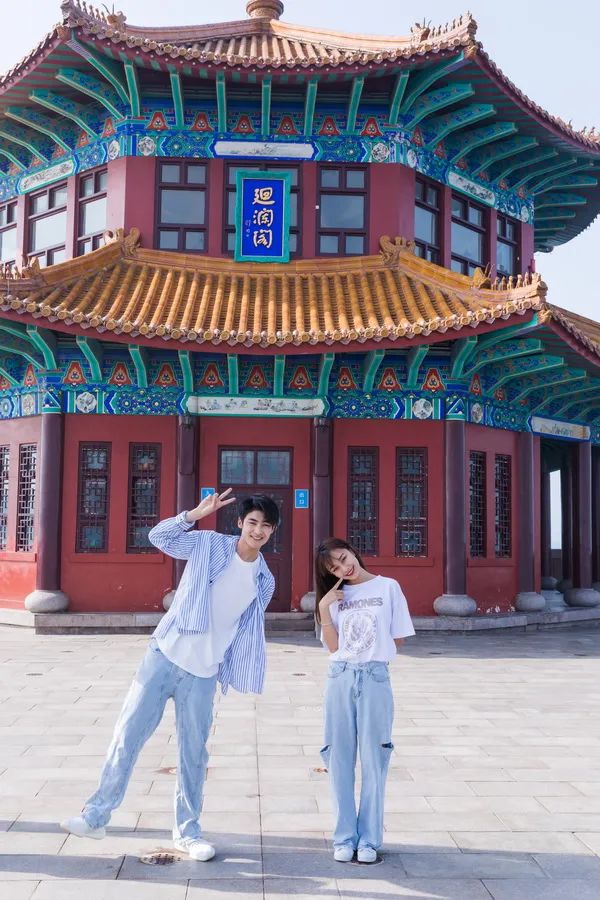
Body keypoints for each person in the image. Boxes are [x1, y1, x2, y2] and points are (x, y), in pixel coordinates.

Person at [61, 489, 279, 861]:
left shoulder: (264, 581)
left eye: (266, 526)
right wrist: (192, 515)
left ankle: (188, 833)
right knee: (127, 736)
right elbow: (158, 538)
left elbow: (243, 629)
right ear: (240, 523)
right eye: (252, 522)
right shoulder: (209, 544)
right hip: (164, 656)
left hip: (203, 672)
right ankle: (95, 817)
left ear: (273, 532)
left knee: (193, 754)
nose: (258, 531)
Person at [315, 537, 415, 864]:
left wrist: (370, 653)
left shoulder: (388, 587)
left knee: (375, 758)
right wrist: (324, 609)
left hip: (374, 677)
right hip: (340, 677)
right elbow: (333, 648)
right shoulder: (334, 598)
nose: (344, 568)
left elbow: (397, 639)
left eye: (344, 558)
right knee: (338, 757)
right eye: (334, 568)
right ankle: (344, 837)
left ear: (353, 552)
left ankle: (369, 839)